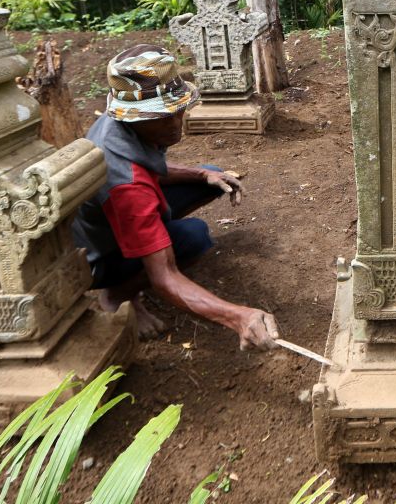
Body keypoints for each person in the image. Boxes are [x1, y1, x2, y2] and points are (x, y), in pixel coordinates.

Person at [72, 44, 279, 350]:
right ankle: (118, 294)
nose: (174, 123)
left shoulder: (121, 124)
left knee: (211, 173)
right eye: (161, 116)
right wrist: (237, 317)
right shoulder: (128, 188)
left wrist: (201, 175)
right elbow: (165, 278)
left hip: (112, 216)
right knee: (195, 237)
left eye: (176, 110)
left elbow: (145, 165)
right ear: (133, 118)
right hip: (98, 254)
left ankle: (157, 234)